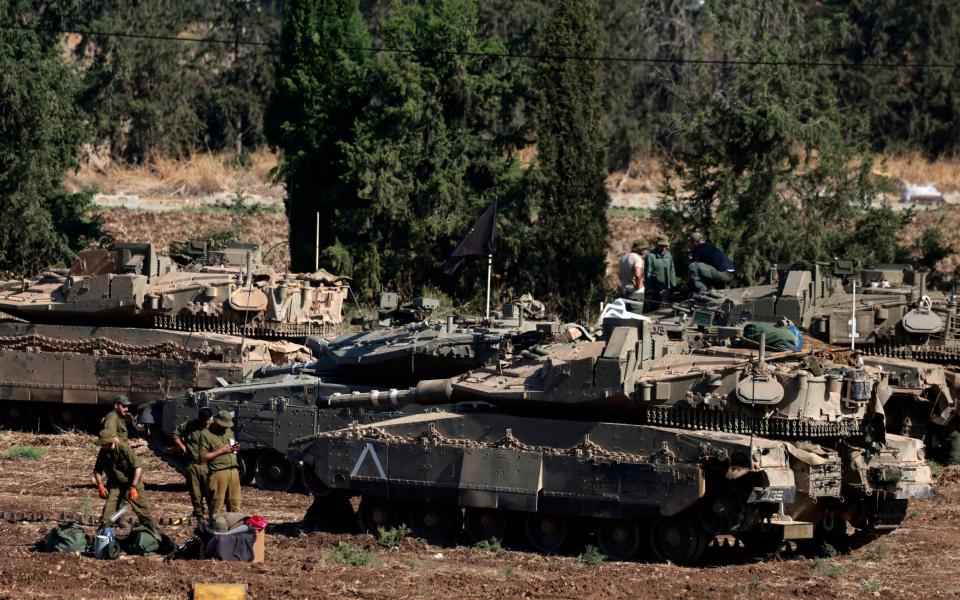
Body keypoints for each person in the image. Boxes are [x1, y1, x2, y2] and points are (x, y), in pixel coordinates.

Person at [93, 430, 158, 534]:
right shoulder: (104, 451)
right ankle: (100, 541)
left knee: (145, 515)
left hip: (131, 485)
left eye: (103, 444)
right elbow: (97, 470)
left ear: (110, 442)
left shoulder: (124, 449)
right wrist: (100, 485)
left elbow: (138, 468)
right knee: (106, 517)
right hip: (116, 486)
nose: (102, 446)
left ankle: (158, 538)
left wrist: (133, 486)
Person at [172, 407, 213, 520]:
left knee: (210, 492)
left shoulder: (213, 426)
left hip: (208, 465)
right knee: (195, 493)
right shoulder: (190, 425)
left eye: (208, 419)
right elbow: (175, 434)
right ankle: (199, 514)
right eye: (204, 419)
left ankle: (212, 514)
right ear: (199, 417)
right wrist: (182, 446)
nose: (206, 422)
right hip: (193, 464)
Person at [199, 410, 241, 518]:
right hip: (218, 473)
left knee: (235, 506)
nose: (226, 428)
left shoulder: (228, 431)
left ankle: (234, 532)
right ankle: (215, 531)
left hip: (233, 472)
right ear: (217, 422)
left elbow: (232, 445)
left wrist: (235, 447)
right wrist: (221, 451)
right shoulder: (206, 434)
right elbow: (203, 457)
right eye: (223, 425)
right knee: (216, 507)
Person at [644, 236, 676, 307]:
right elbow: (648, 274)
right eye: (661, 246)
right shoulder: (651, 256)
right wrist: (648, 290)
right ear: (657, 245)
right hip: (655, 290)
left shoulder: (669, 255)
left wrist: (673, 286)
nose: (663, 248)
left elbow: (672, 271)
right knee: (655, 310)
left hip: (667, 289)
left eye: (665, 246)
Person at [618, 240, 646, 310]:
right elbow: (638, 275)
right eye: (644, 249)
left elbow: (620, 275)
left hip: (626, 291)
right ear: (639, 249)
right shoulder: (637, 258)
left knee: (627, 317)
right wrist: (638, 286)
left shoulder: (623, 258)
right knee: (636, 317)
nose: (645, 251)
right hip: (636, 293)